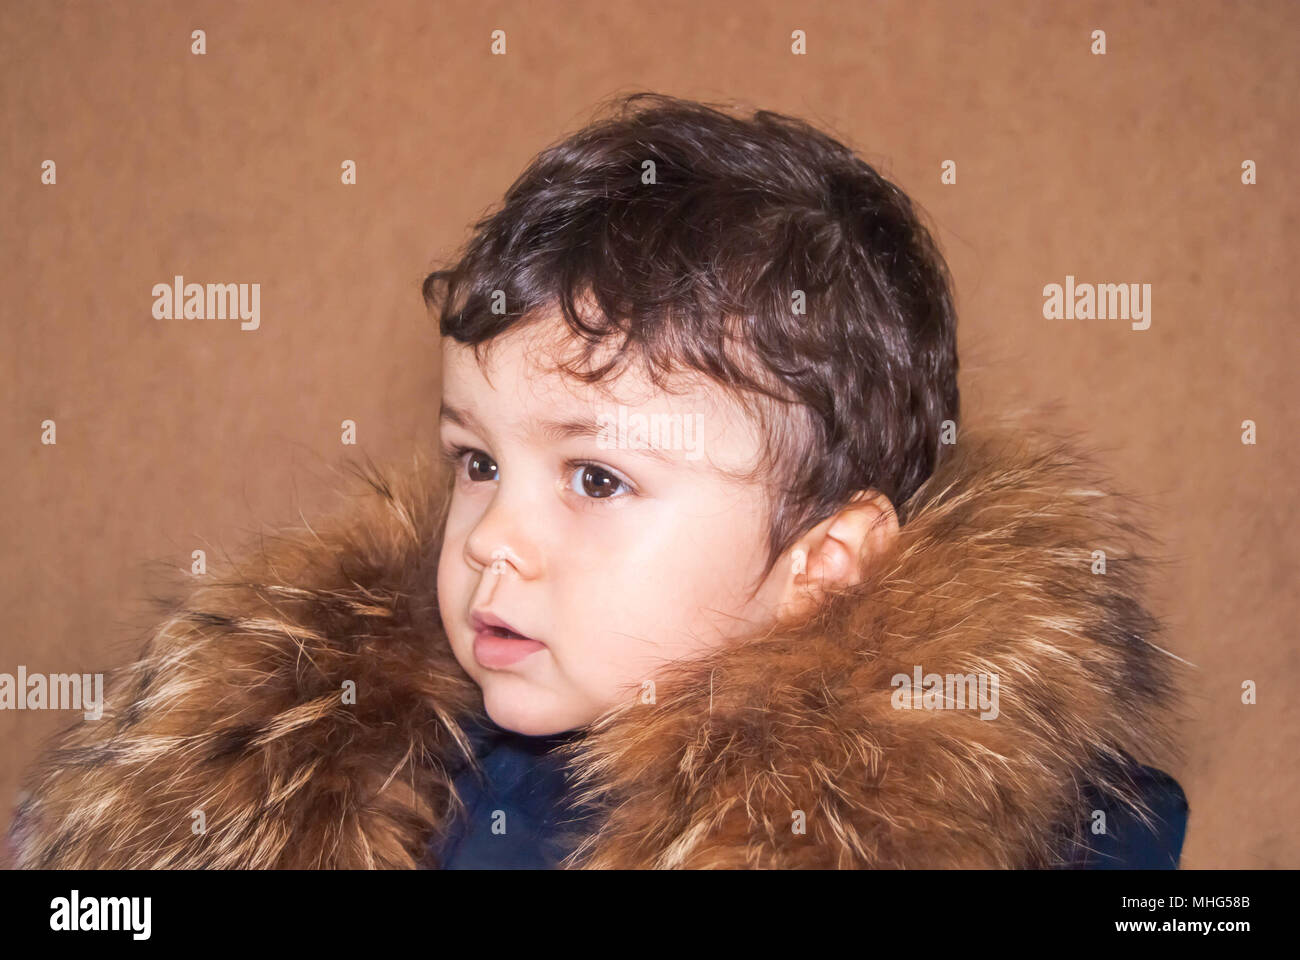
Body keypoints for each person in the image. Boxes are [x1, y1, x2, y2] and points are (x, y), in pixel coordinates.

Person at [6, 93, 1188, 869]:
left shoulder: (1028, 833)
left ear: (819, 566)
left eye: (597, 478)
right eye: (476, 462)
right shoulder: (367, 769)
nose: (489, 542)